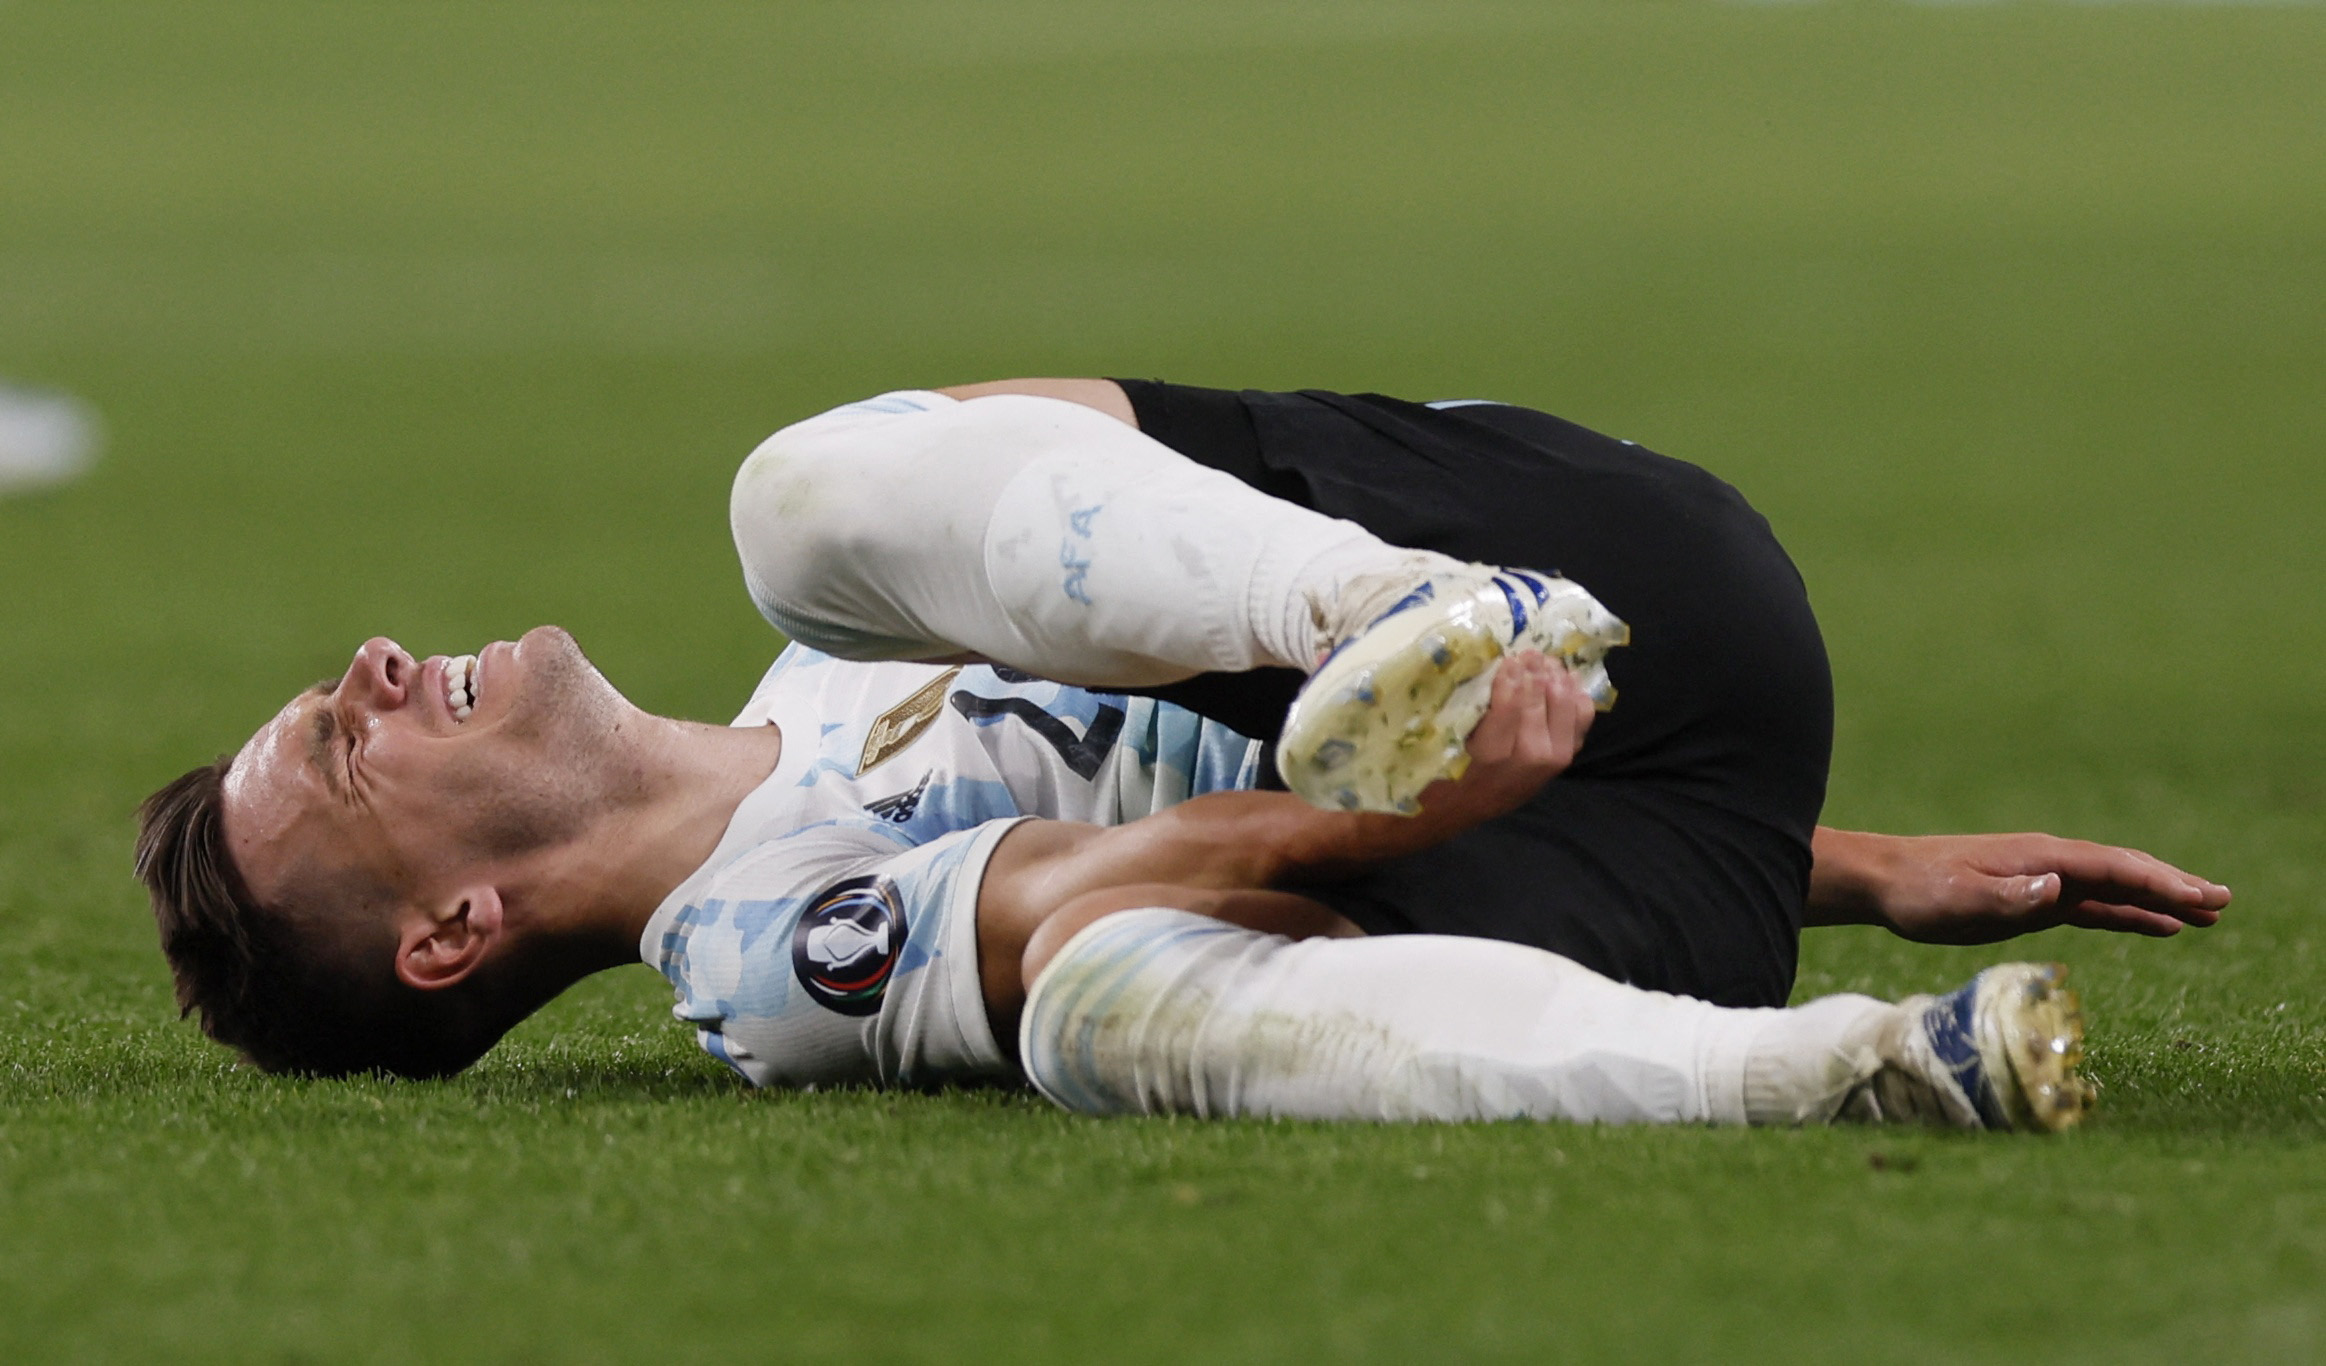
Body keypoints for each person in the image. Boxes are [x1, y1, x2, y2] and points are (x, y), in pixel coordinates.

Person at [133, 381, 2229, 1132]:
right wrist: (1451, 801)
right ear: (451, 928)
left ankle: (1381, 599)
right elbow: (1083, 884)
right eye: (339, 740)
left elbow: (1038, 478)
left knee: (810, 505)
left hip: (1573, 604)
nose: (370, 664)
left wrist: (1855, 857)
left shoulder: (819, 659)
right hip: (1614, 891)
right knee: (1091, 991)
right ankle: (1836, 1068)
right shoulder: (765, 956)